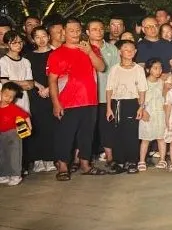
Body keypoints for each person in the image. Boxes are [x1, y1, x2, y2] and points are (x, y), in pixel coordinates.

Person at [47, 17, 107, 180]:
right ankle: (63, 167)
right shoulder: (57, 54)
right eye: (71, 30)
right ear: (64, 32)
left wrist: (89, 52)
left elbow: (101, 67)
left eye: (78, 30)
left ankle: (85, 165)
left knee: (87, 135)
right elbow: (52, 81)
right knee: (65, 135)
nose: (75, 33)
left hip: (90, 100)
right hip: (67, 102)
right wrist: (56, 103)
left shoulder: (91, 48)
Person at [106, 40, 147, 174]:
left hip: (132, 103)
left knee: (131, 133)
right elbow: (109, 89)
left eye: (132, 49)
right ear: (120, 52)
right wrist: (108, 108)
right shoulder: (115, 69)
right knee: (117, 132)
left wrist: (141, 107)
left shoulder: (138, 69)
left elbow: (142, 89)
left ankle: (132, 161)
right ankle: (119, 161)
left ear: (135, 52)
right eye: (126, 49)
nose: (129, 52)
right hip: (117, 103)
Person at [24, 27, 56, 173]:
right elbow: (26, 75)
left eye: (44, 36)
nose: (41, 39)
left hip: (53, 92)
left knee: (50, 125)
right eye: (37, 37)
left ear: (49, 36)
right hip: (35, 94)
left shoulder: (55, 53)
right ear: (33, 39)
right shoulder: (28, 56)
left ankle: (50, 159)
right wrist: (39, 87)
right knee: (36, 125)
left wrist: (49, 88)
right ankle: (37, 160)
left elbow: (61, 73)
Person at [88, 19, 119, 164]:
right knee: (86, 129)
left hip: (106, 95)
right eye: (94, 29)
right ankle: (80, 159)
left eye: (101, 28)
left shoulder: (112, 49)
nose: (98, 32)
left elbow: (116, 73)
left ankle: (109, 157)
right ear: (87, 32)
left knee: (107, 127)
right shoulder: (82, 49)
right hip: (87, 97)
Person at [139, 58, 167, 171]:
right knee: (145, 139)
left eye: (160, 68)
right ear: (148, 70)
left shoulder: (162, 82)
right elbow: (139, 98)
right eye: (155, 68)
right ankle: (142, 160)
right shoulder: (144, 82)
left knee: (161, 138)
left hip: (160, 113)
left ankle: (162, 159)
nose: (158, 70)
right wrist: (143, 110)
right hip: (148, 113)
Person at [0, 82, 31, 186]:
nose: (8, 98)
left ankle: (15, 175)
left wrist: (29, 126)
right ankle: (4, 174)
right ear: (1, 93)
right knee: (2, 154)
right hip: (1, 134)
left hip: (13, 133)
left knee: (14, 154)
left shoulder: (14, 108)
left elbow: (25, 116)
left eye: (11, 97)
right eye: (6, 95)